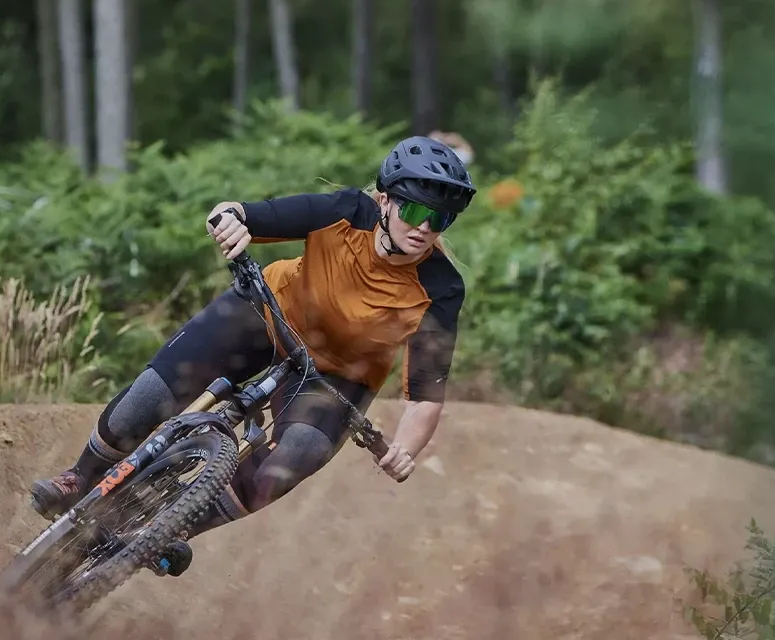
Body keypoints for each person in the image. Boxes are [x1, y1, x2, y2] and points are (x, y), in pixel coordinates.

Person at [27, 135, 475, 578]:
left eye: (439, 220)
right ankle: (80, 479)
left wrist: (405, 450)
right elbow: (246, 214)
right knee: (150, 396)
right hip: (270, 312)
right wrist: (228, 220)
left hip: (339, 375)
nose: (424, 229)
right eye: (415, 211)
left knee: (301, 450)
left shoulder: (441, 288)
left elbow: (425, 396)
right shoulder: (345, 211)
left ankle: (172, 528)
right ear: (384, 201)